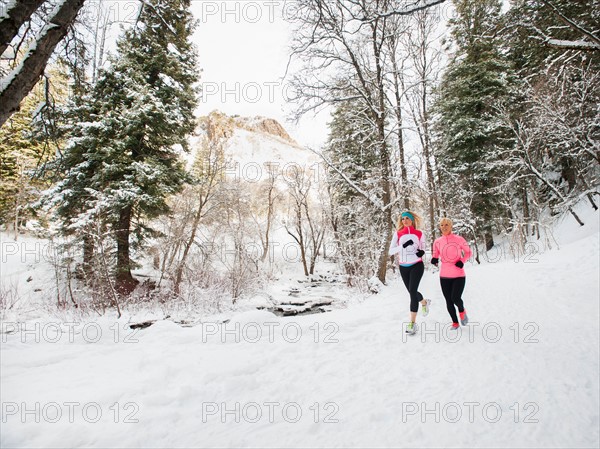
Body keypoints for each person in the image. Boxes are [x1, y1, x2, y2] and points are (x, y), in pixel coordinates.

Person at [388, 211, 430, 335]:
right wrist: (403, 246)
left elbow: (423, 248)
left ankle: (412, 323)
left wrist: (421, 252)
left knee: (412, 292)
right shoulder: (398, 234)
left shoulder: (420, 233)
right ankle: (424, 302)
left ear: (412, 220)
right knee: (412, 292)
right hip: (403, 267)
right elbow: (391, 251)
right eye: (403, 219)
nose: (405, 220)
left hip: (417, 265)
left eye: (407, 218)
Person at [431, 217, 472, 330]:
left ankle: (462, 310)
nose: (444, 227)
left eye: (446, 225)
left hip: (458, 274)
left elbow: (468, 252)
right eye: (442, 225)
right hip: (444, 275)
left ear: (451, 226)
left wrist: (462, 261)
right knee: (448, 300)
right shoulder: (437, 242)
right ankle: (455, 322)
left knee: (455, 298)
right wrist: (434, 259)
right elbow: (436, 255)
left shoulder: (459, 239)